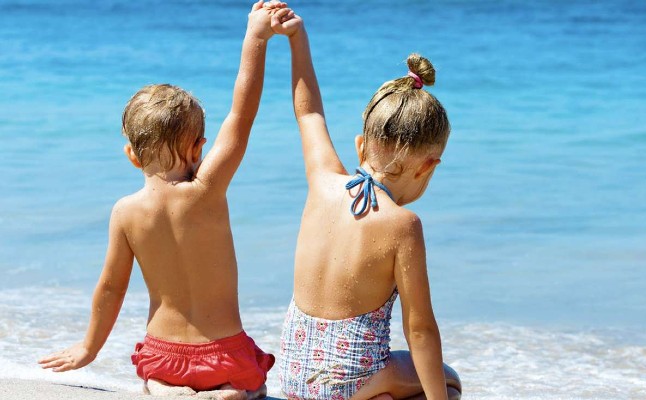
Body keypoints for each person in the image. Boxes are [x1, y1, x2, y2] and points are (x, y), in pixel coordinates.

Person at [37, 2, 295, 398]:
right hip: (223, 355)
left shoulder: (125, 212)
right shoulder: (207, 190)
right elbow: (241, 117)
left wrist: (88, 349)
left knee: (156, 376)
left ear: (132, 155)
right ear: (198, 149)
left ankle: (163, 387)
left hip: (164, 355)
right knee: (251, 386)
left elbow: (110, 288)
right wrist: (255, 37)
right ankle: (228, 391)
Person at [268, 8, 462, 400]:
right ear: (428, 167)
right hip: (347, 386)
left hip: (292, 381)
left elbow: (308, 112)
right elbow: (420, 330)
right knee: (447, 381)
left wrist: (296, 38)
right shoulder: (403, 225)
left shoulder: (322, 181)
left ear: (360, 145)